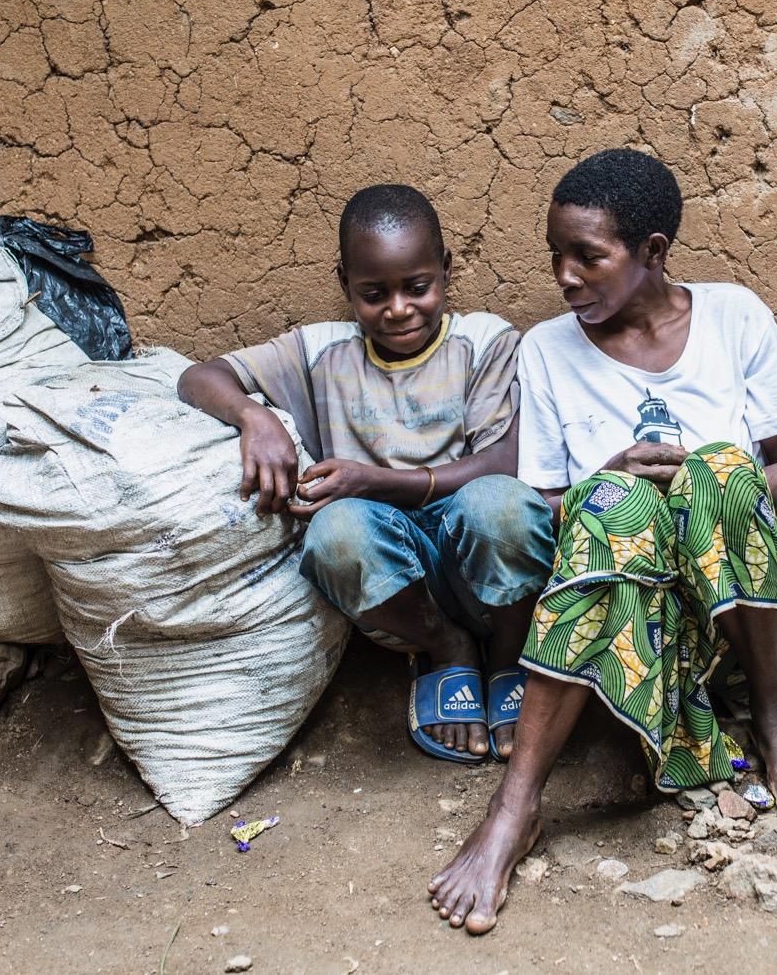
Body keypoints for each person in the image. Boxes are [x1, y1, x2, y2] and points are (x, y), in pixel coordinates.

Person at [428, 148, 777, 934]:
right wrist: (613, 476)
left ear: (653, 252)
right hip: (625, 628)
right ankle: (517, 803)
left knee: (716, 469)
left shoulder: (735, 315)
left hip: (741, 607)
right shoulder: (546, 349)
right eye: (556, 257)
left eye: (588, 256)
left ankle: (773, 709)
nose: (566, 276)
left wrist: (701, 486)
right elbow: (546, 504)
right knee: (615, 500)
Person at [177, 184, 553, 764]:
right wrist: (254, 416)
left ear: (447, 271)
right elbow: (199, 377)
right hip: (397, 581)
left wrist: (373, 480)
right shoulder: (320, 350)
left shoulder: (484, 340)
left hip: (476, 551)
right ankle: (445, 649)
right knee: (335, 533)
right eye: (374, 293)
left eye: (417, 287)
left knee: (502, 504)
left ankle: (507, 656)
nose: (398, 309)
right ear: (344, 284)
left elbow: (503, 463)